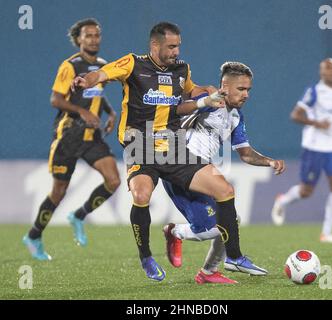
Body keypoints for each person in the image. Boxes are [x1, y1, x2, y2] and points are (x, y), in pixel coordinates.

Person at [74, 21, 265, 282]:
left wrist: (206, 93)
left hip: (174, 149)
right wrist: (86, 80)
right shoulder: (133, 64)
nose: (176, 51)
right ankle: (146, 258)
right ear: (155, 45)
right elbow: (103, 74)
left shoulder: (181, 70)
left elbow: (191, 90)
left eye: (178, 46)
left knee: (225, 190)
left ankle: (234, 258)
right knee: (141, 195)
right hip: (140, 145)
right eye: (171, 46)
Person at [162, 61, 286, 284]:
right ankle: (234, 257)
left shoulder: (236, 116)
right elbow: (178, 112)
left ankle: (206, 269)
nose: (246, 94)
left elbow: (246, 154)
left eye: (248, 89)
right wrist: (201, 103)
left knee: (228, 221)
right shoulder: (211, 102)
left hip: (198, 172)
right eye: (241, 89)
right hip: (179, 162)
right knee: (226, 201)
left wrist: (269, 162)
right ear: (225, 87)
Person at [23, 18, 121, 260]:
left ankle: (79, 215)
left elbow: (95, 93)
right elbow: (55, 99)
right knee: (59, 191)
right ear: (79, 39)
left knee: (114, 180)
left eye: (97, 35)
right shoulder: (70, 66)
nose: (93, 39)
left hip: (92, 137)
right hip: (68, 134)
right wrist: (82, 111)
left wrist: (110, 112)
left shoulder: (101, 65)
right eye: (88, 35)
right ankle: (34, 235)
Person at [271, 58, 332, 243]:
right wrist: (316, 123)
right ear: (321, 72)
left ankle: (327, 232)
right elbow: (295, 115)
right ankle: (282, 200)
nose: (331, 72)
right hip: (314, 145)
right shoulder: (314, 91)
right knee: (307, 191)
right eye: (327, 69)